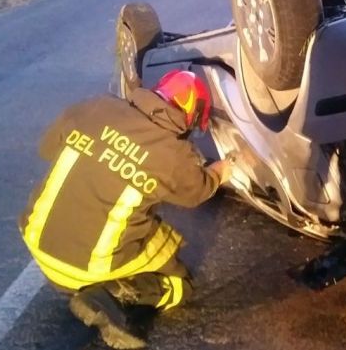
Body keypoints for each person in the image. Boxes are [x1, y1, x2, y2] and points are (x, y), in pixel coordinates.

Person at [19, 70, 241, 349]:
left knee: (128, 213)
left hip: (38, 239)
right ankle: (113, 293)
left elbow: (47, 148)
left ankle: (89, 285)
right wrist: (225, 168)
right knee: (178, 284)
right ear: (191, 117)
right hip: (84, 267)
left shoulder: (95, 107)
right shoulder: (173, 154)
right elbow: (196, 191)